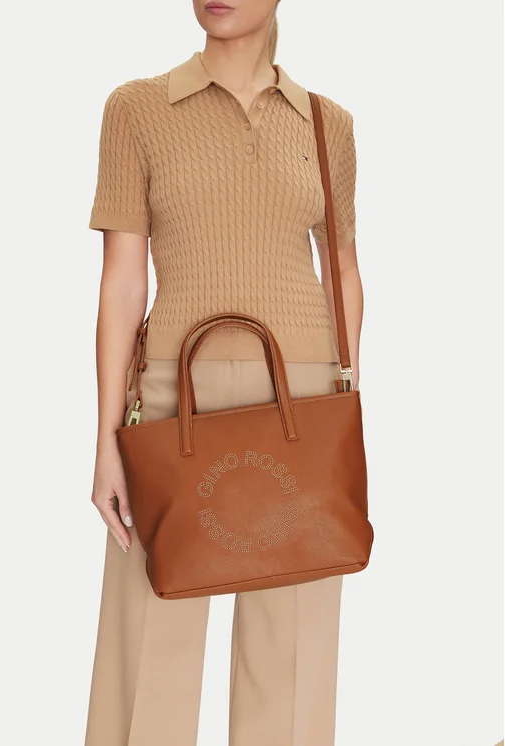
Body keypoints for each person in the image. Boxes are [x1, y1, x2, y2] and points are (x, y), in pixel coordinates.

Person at [84, 1, 364, 744]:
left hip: (302, 395)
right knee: (149, 635)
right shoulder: (137, 108)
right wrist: (108, 438)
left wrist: (344, 403)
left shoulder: (327, 124)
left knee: (292, 648)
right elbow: (122, 283)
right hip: (172, 393)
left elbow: (342, 268)